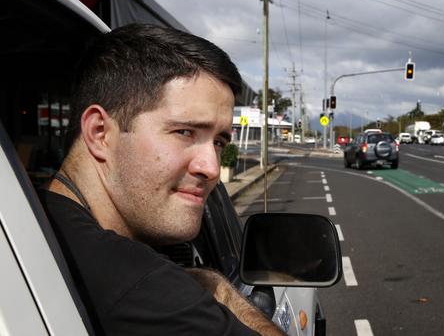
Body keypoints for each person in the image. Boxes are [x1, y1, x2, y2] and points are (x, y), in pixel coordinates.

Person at [40, 23, 284, 335]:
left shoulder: (37, 214)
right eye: (184, 132)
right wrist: (218, 289)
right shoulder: (144, 286)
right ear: (100, 133)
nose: (211, 168)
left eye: (219, 142)